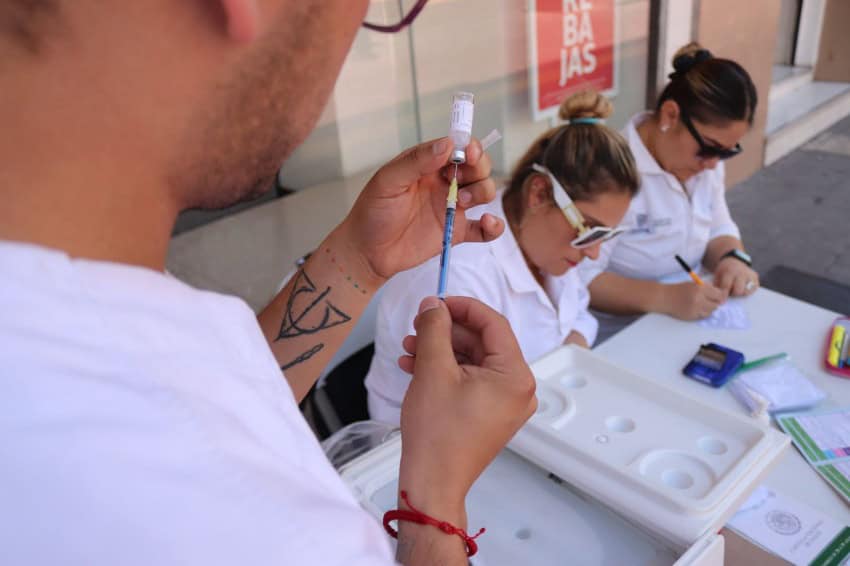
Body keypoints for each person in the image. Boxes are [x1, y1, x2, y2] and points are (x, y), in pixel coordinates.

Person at [0, 2, 537, 565]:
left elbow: (216, 395)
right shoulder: (261, 526)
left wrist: (356, 264)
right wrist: (436, 504)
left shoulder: (72, 284)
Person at [366, 91, 640, 425]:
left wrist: (570, 353)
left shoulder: (549, 242)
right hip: (423, 441)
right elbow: (461, 411)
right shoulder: (461, 273)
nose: (594, 251)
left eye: (605, 236)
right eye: (590, 230)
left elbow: (578, 315)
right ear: (539, 193)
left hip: (533, 413)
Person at [577, 43, 761, 342]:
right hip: (622, 336)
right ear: (670, 115)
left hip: (695, 319)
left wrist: (732, 259)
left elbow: (717, 224)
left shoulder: (705, 165)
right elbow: (579, 277)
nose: (713, 163)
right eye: (709, 148)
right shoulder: (607, 172)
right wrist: (665, 298)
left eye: (727, 152)